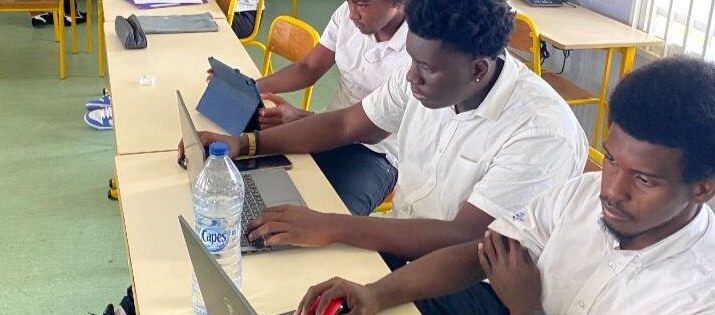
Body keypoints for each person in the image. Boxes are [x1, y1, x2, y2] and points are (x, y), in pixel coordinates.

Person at [292, 56, 715, 315]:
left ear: (702, 188)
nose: (612, 190)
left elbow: (512, 292)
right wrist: (375, 293)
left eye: (643, 179)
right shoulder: (581, 196)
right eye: (611, 160)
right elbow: (483, 253)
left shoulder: (700, 307)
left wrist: (527, 311)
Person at [189, 0, 587, 265]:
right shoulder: (429, 72)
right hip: (407, 240)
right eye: (411, 60)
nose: (410, 77)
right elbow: (346, 124)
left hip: (477, 280)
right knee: (285, 253)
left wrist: (332, 225)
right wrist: (246, 144)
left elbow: (463, 237)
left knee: (311, 276)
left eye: (425, 68)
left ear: (478, 70)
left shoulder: (541, 132)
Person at [253, 0, 409, 215]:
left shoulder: (418, 49)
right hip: (329, 127)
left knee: (333, 215)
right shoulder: (347, 14)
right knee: (257, 176)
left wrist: (304, 119)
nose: (352, 14)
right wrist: (251, 86)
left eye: (362, 5)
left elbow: (367, 129)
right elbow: (308, 67)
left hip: (379, 153)